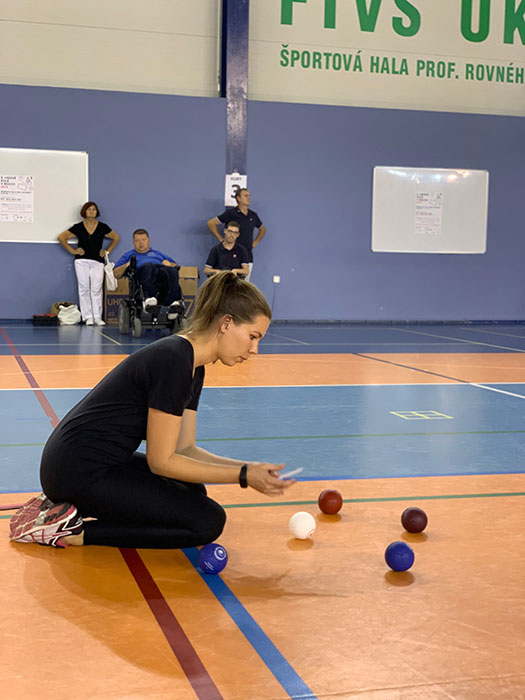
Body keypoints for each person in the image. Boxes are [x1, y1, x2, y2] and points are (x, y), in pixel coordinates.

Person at [9, 272, 297, 550]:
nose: (255, 349)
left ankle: (64, 509)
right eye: (253, 336)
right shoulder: (174, 362)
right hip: (77, 471)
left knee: (192, 491)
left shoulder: (192, 366)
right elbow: (162, 461)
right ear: (226, 323)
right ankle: (72, 532)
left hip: (83, 462)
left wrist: (246, 469)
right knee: (207, 522)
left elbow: (184, 449)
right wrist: (244, 476)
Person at [57, 201, 120, 326]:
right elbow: (61, 237)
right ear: (84, 212)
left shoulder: (102, 227)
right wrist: (73, 250)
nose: (91, 211)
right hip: (81, 261)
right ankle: (88, 317)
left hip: (98, 261)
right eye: (89, 209)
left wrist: (107, 251)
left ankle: (97, 316)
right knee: (84, 288)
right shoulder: (78, 227)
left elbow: (116, 237)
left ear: (97, 212)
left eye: (94, 209)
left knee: (96, 289)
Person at [113, 228, 182, 311]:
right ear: (133, 242)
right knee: (149, 266)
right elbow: (116, 274)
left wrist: (170, 264)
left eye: (143, 240)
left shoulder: (157, 253)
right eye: (137, 241)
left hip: (160, 273)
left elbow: (175, 265)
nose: (141, 243)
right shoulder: (128, 255)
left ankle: (172, 302)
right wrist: (127, 265)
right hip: (142, 273)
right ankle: (149, 299)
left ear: (148, 240)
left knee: (172, 271)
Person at [207, 188, 266, 281]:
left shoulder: (253, 215)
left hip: (247, 255)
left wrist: (255, 242)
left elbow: (262, 229)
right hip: (229, 256)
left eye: (249, 195)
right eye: (246, 195)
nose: (249, 198)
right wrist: (220, 239)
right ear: (238, 198)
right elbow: (211, 223)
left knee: (244, 287)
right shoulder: (231, 213)